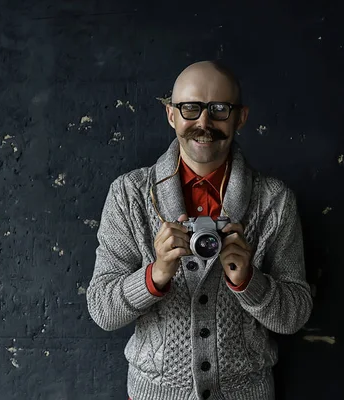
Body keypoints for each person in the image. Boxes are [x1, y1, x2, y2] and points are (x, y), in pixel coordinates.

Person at [87, 60, 313, 400]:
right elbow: (103, 310)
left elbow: (294, 315)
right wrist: (155, 275)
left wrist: (249, 282)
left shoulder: (275, 200)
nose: (203, 122)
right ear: (171, 115)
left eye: (219, 109)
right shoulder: (129, 194)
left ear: (241, 117)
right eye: (190, 109)